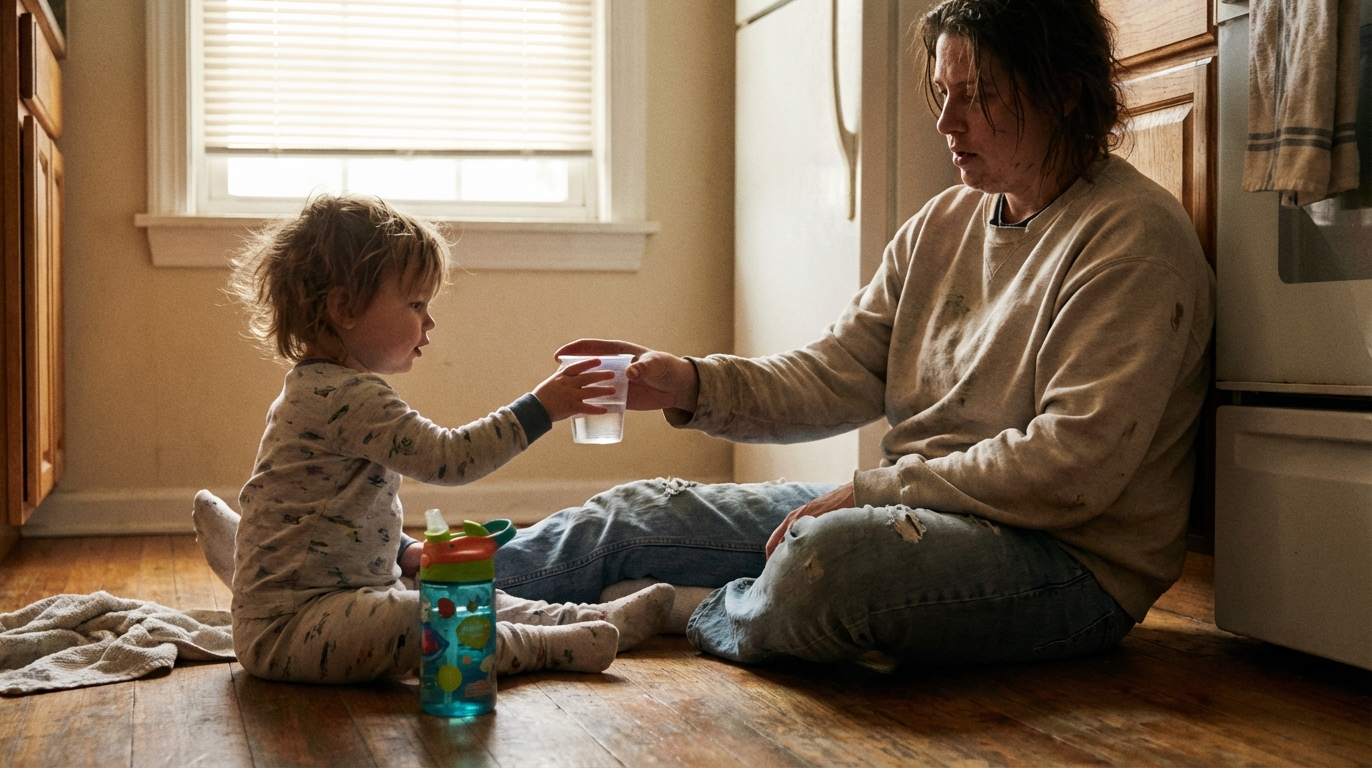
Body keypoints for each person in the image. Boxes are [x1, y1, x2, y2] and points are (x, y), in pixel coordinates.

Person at [484, 0, 1216, 668]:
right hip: (916, 515)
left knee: (824, 561)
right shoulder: (942, 225)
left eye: (979, 95)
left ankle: (677, 610)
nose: (947, 122)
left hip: (1071, 563)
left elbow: (1072, 466)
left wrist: (869, 492)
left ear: (1064, 91)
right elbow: (833, 374)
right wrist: (687, 381)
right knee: (637, 512)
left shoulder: (1133, 240)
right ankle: (426, 586)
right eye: (944, 92)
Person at [193, 193, 674, 684]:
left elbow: (334, 510)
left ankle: (584, 619)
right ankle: (550, 645)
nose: (430, 321)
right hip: (292, 630)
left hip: (338, 600)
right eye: (416, 304)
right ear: (345, 308)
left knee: (456, 590)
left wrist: (404, 550)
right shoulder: (344, 396)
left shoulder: (324, 389)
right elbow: (450, 459)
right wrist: (543, 407)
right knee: (433, 616)